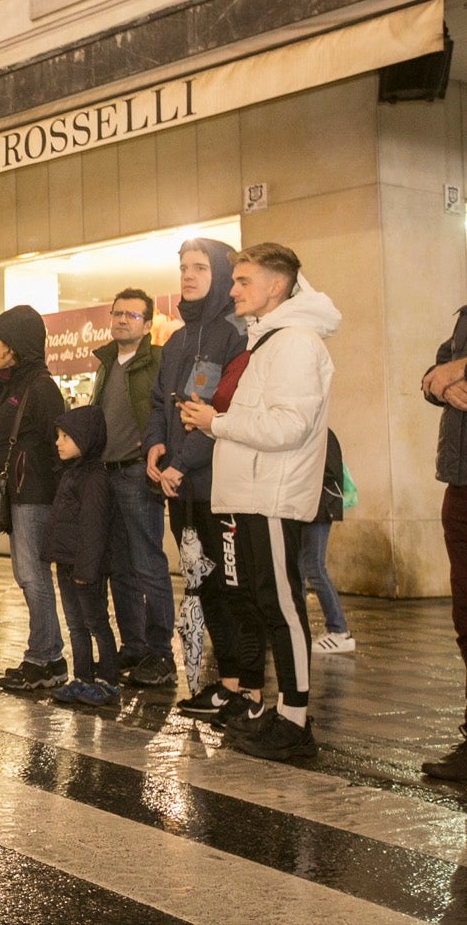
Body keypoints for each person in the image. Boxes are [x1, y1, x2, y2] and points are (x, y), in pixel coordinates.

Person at [179, 243, 339, 761]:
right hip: (252, 495)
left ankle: (295, 721)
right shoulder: (270, 340)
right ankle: (284, 712)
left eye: (243, 281)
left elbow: (289, 427)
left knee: (283, 606)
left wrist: (215, 423)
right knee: (267, 602)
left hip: (271, 495)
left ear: (276, 286)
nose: (232, 289)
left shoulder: (294, 342)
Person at [146, 238, 247, 721]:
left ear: (222, 275)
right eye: (183, 267)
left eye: (200, 268)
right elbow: (158, 403)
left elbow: (218, 412)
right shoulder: (178, 340)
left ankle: (241, 686)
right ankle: (225, 684)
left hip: (215, 487)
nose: (187, 275)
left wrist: (181, 463)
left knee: (230, 586)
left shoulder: (233, 335)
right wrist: (154, 447)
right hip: (178, 484)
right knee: (200, 582)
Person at [89, 288, 174, 686]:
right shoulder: (106, 363)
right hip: (106, 473)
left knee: (148, 564)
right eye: (117, 313)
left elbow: (167, 410)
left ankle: (161, 654)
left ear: (146, 324)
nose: (123, 320)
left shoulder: (156, 361)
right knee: (120, 568)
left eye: (132, 316)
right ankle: (135, 646)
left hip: (139, 474)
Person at [0, 305, 69, 691]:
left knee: (33, 576)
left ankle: (46, 659)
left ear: (16, 345)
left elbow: (56, 445)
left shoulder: (41, 387)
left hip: (34, 491)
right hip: (19, 490)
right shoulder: (12, 382)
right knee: (25, 575)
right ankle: (44, 655)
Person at [44, 406, 120, 707]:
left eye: (66, 436)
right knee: (76, 623)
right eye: (58, 436)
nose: (58, 442)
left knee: (96, 622)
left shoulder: (94, 479)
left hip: (85, 568)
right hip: (67, 563)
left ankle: (109, 682)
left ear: (85, 439)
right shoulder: (71, 474)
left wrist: (86, 570)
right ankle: (83, 677)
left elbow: (94, 527)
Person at [421, 305, 467, 782]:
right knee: (465, 616)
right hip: (461, 478)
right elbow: (432, 374)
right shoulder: (465, 315)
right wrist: (443, 378)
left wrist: (461, 367)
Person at [301, 431, 355, 653]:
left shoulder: (322, 433)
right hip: (308, 510)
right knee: (300, 570)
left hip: (319, 510)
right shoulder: (313, 431)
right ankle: (299, 628)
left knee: (314, 568)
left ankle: (339, 630)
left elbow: (330, 474)